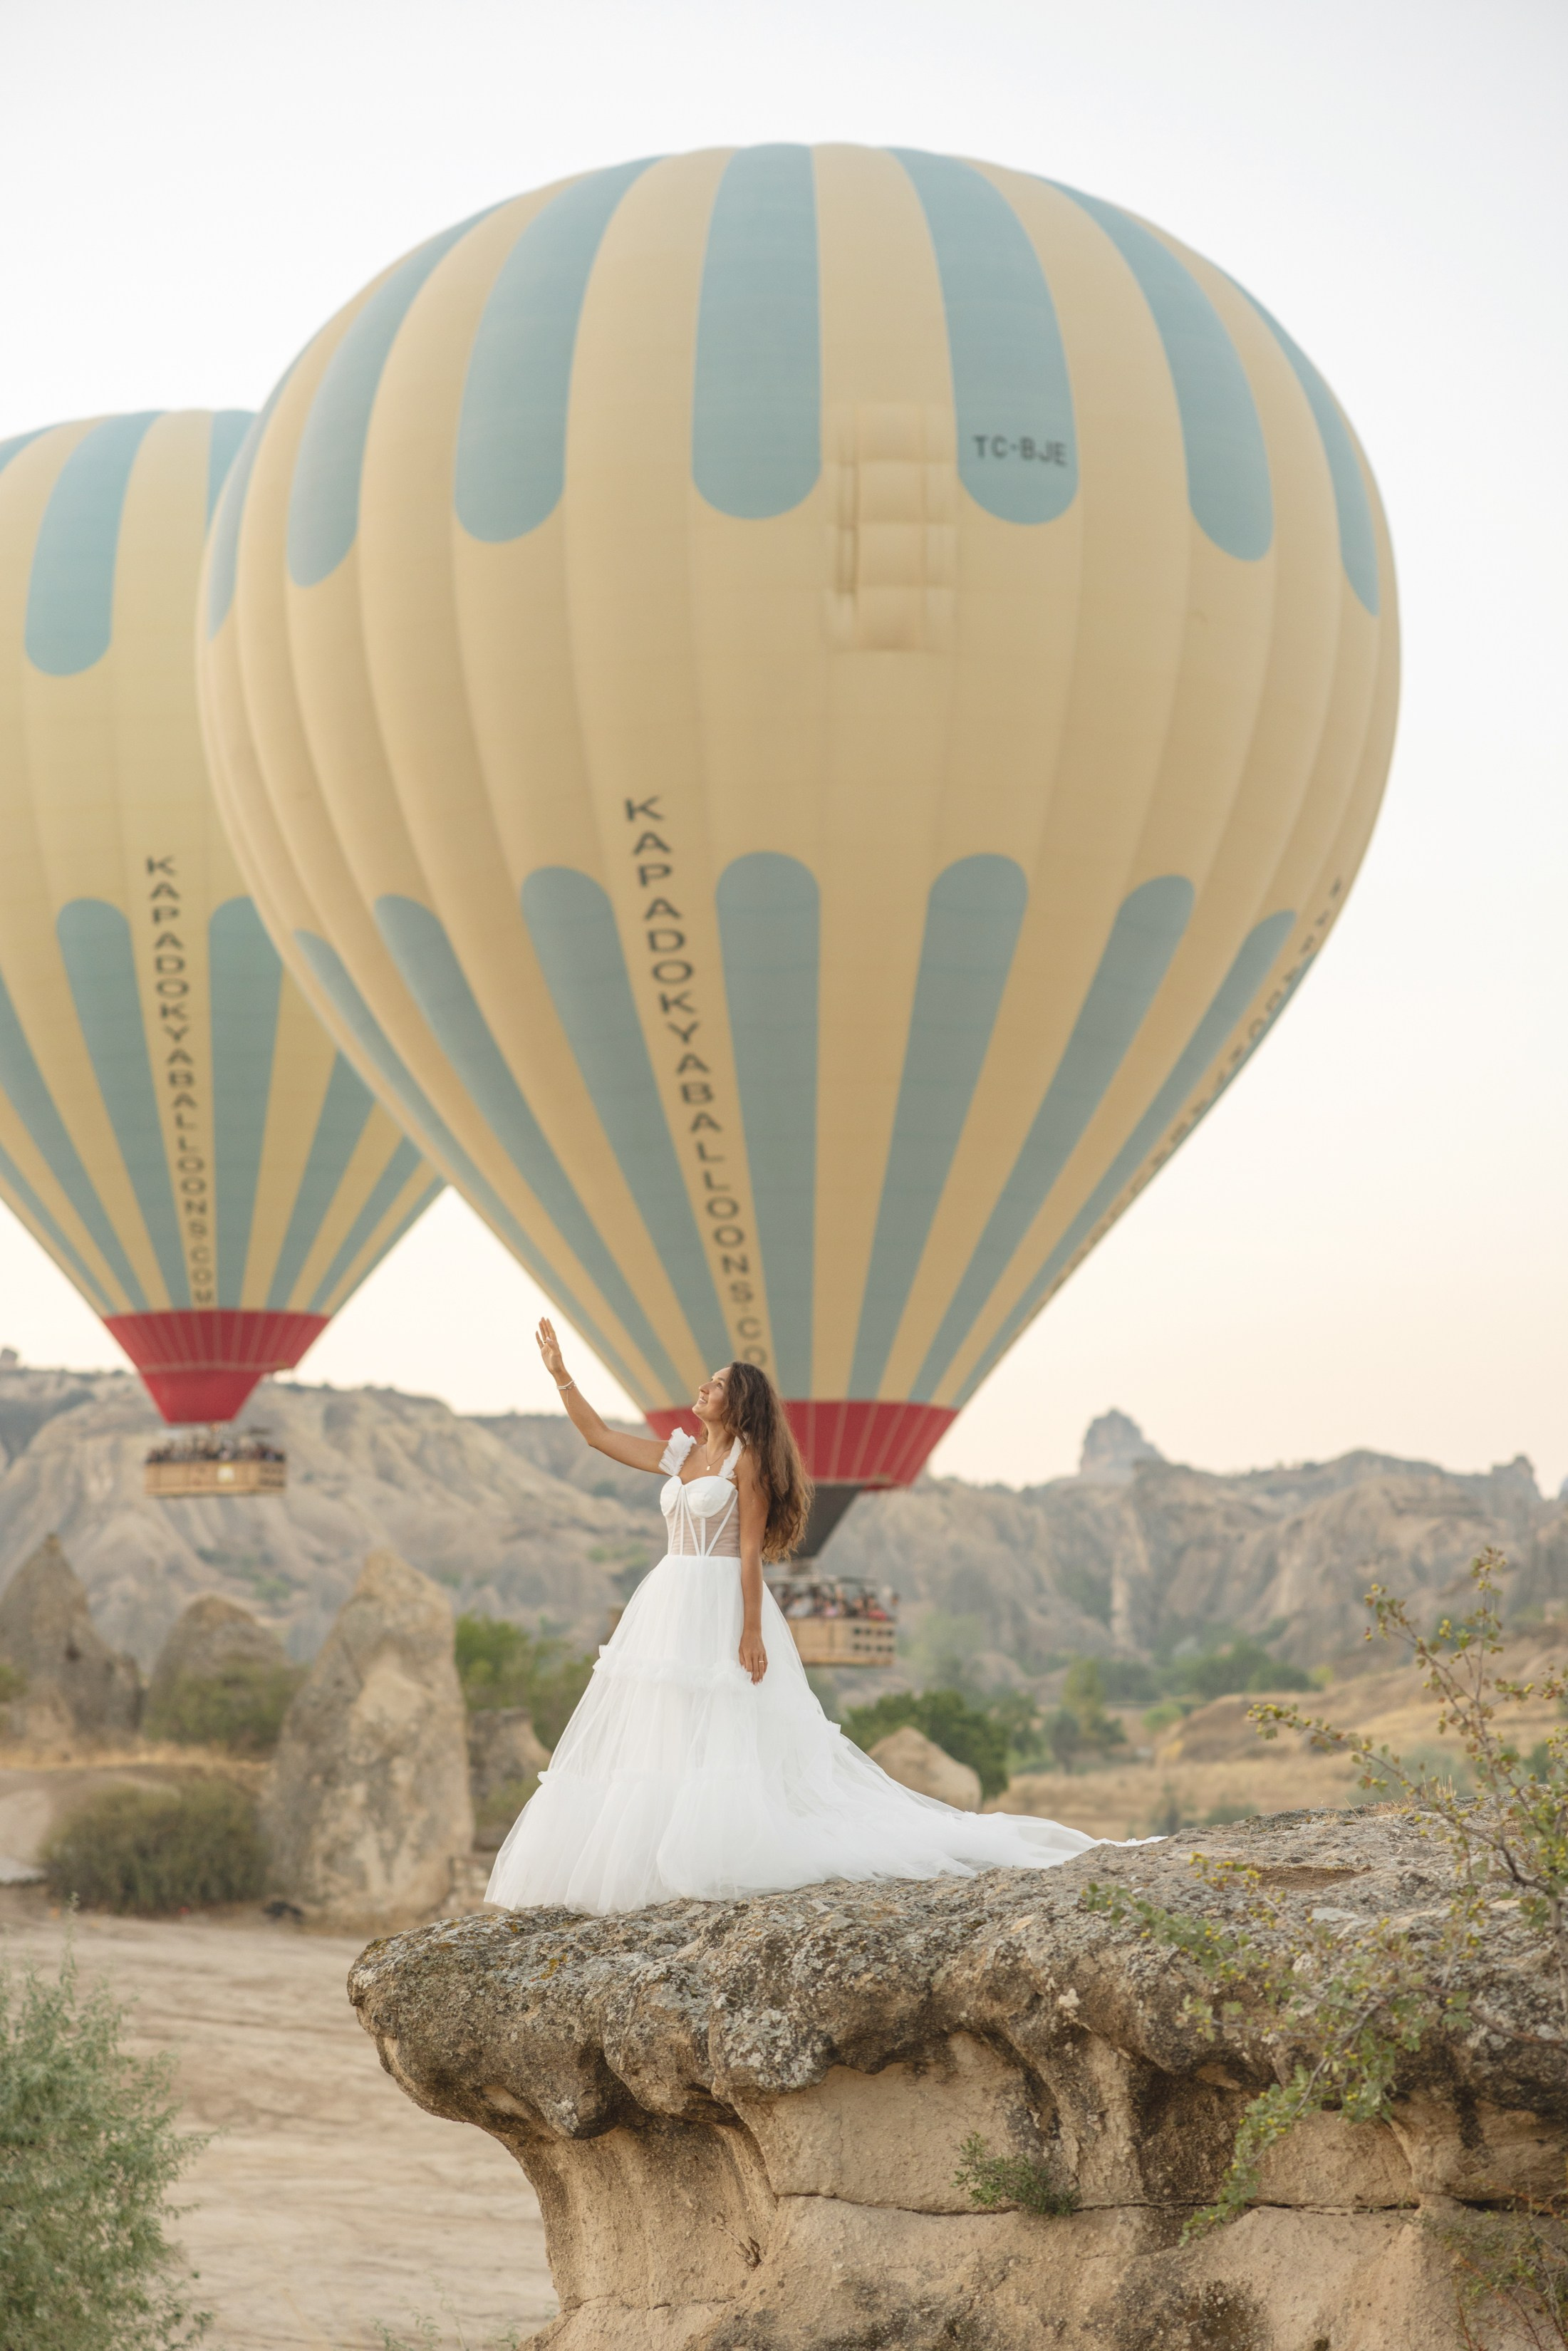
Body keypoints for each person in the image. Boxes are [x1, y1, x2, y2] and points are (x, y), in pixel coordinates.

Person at [485, 1319, 1097, 1916]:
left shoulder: (745, 1462)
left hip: (719, 1595)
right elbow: (598, 1436)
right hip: (668, 1597)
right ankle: (658, 1854)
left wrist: (751, 1631)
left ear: (740, 1402)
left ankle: (711, 1849)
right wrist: (562, 1375)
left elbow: (749, 1550)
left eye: (717, 1384)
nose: (702, 1388)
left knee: (722, 1718)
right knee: (666, 1717)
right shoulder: (683, 1455)